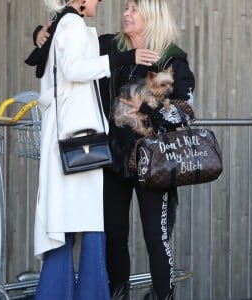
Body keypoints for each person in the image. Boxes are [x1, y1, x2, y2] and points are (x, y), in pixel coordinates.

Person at [34, 0, 195, 299]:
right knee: (114, 238)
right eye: (126, 8)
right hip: (113, 161)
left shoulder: (171, 59)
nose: (126, 13)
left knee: (156, 239)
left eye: (134, 9)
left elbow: (185, 110)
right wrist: (40, 35)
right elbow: (71, 52)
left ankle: (163, 296)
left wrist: (148, 106)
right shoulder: (110, 46)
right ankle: (117, 294)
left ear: (150, 16)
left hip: (154, 162)